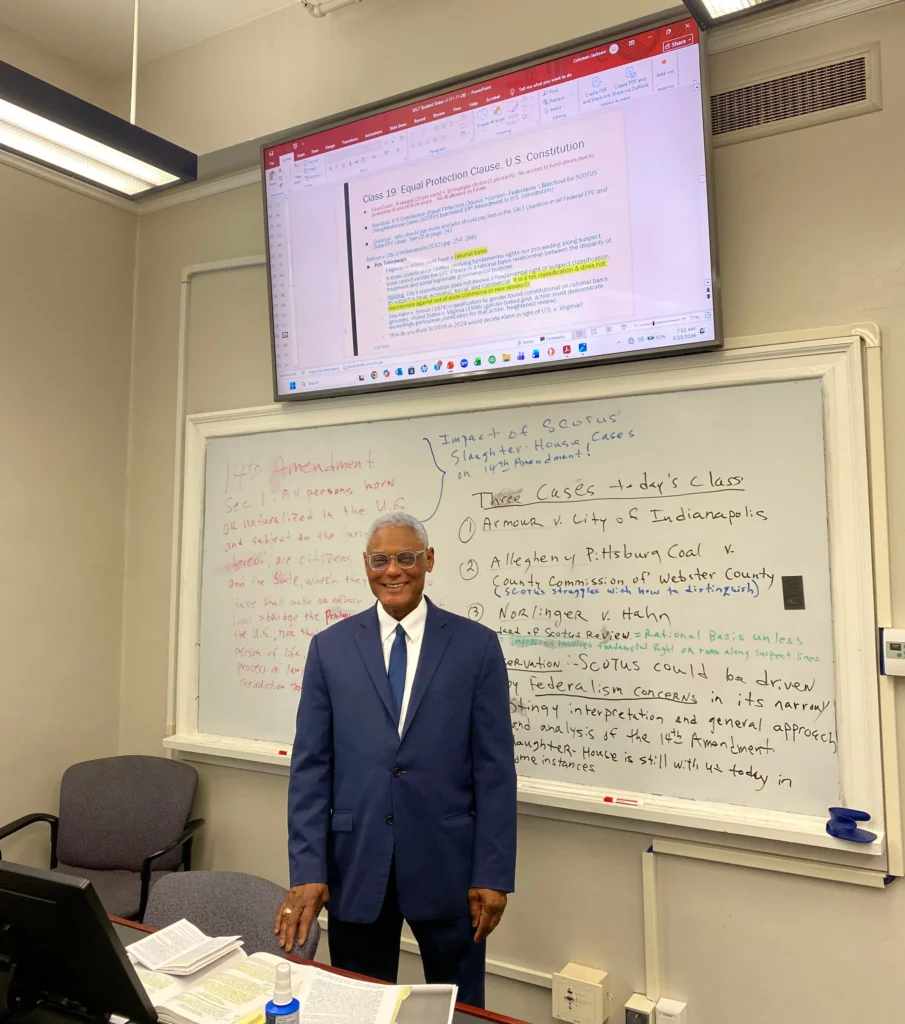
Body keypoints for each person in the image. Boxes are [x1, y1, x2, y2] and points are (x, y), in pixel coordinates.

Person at [275, 512, 516, 1007]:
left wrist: (492, 873)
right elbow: (310, 770)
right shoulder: (329, 648)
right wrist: (307, 868)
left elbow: (494, 769)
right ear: (366, 565)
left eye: (406, 558)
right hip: (357, 866)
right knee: (359, 1007)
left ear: (428, 561)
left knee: (458, 1008)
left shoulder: (476, 646)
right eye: (380, 560)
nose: (393, 571)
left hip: (450, 871)